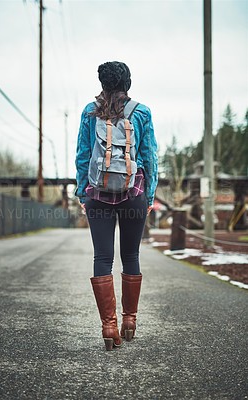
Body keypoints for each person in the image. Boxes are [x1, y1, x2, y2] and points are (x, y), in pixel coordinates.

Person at [75, 61, 158, 351]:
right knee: (131, 254)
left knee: (102, 257)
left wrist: (82, 193)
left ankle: (109, 326)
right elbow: (149, 157)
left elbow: (83, 156)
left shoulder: (89, 112)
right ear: (127, 83)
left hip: (98, 193)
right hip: (133, 191)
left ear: (103, 84)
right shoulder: (142, 112)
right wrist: (149, 196)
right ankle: (130, 320)